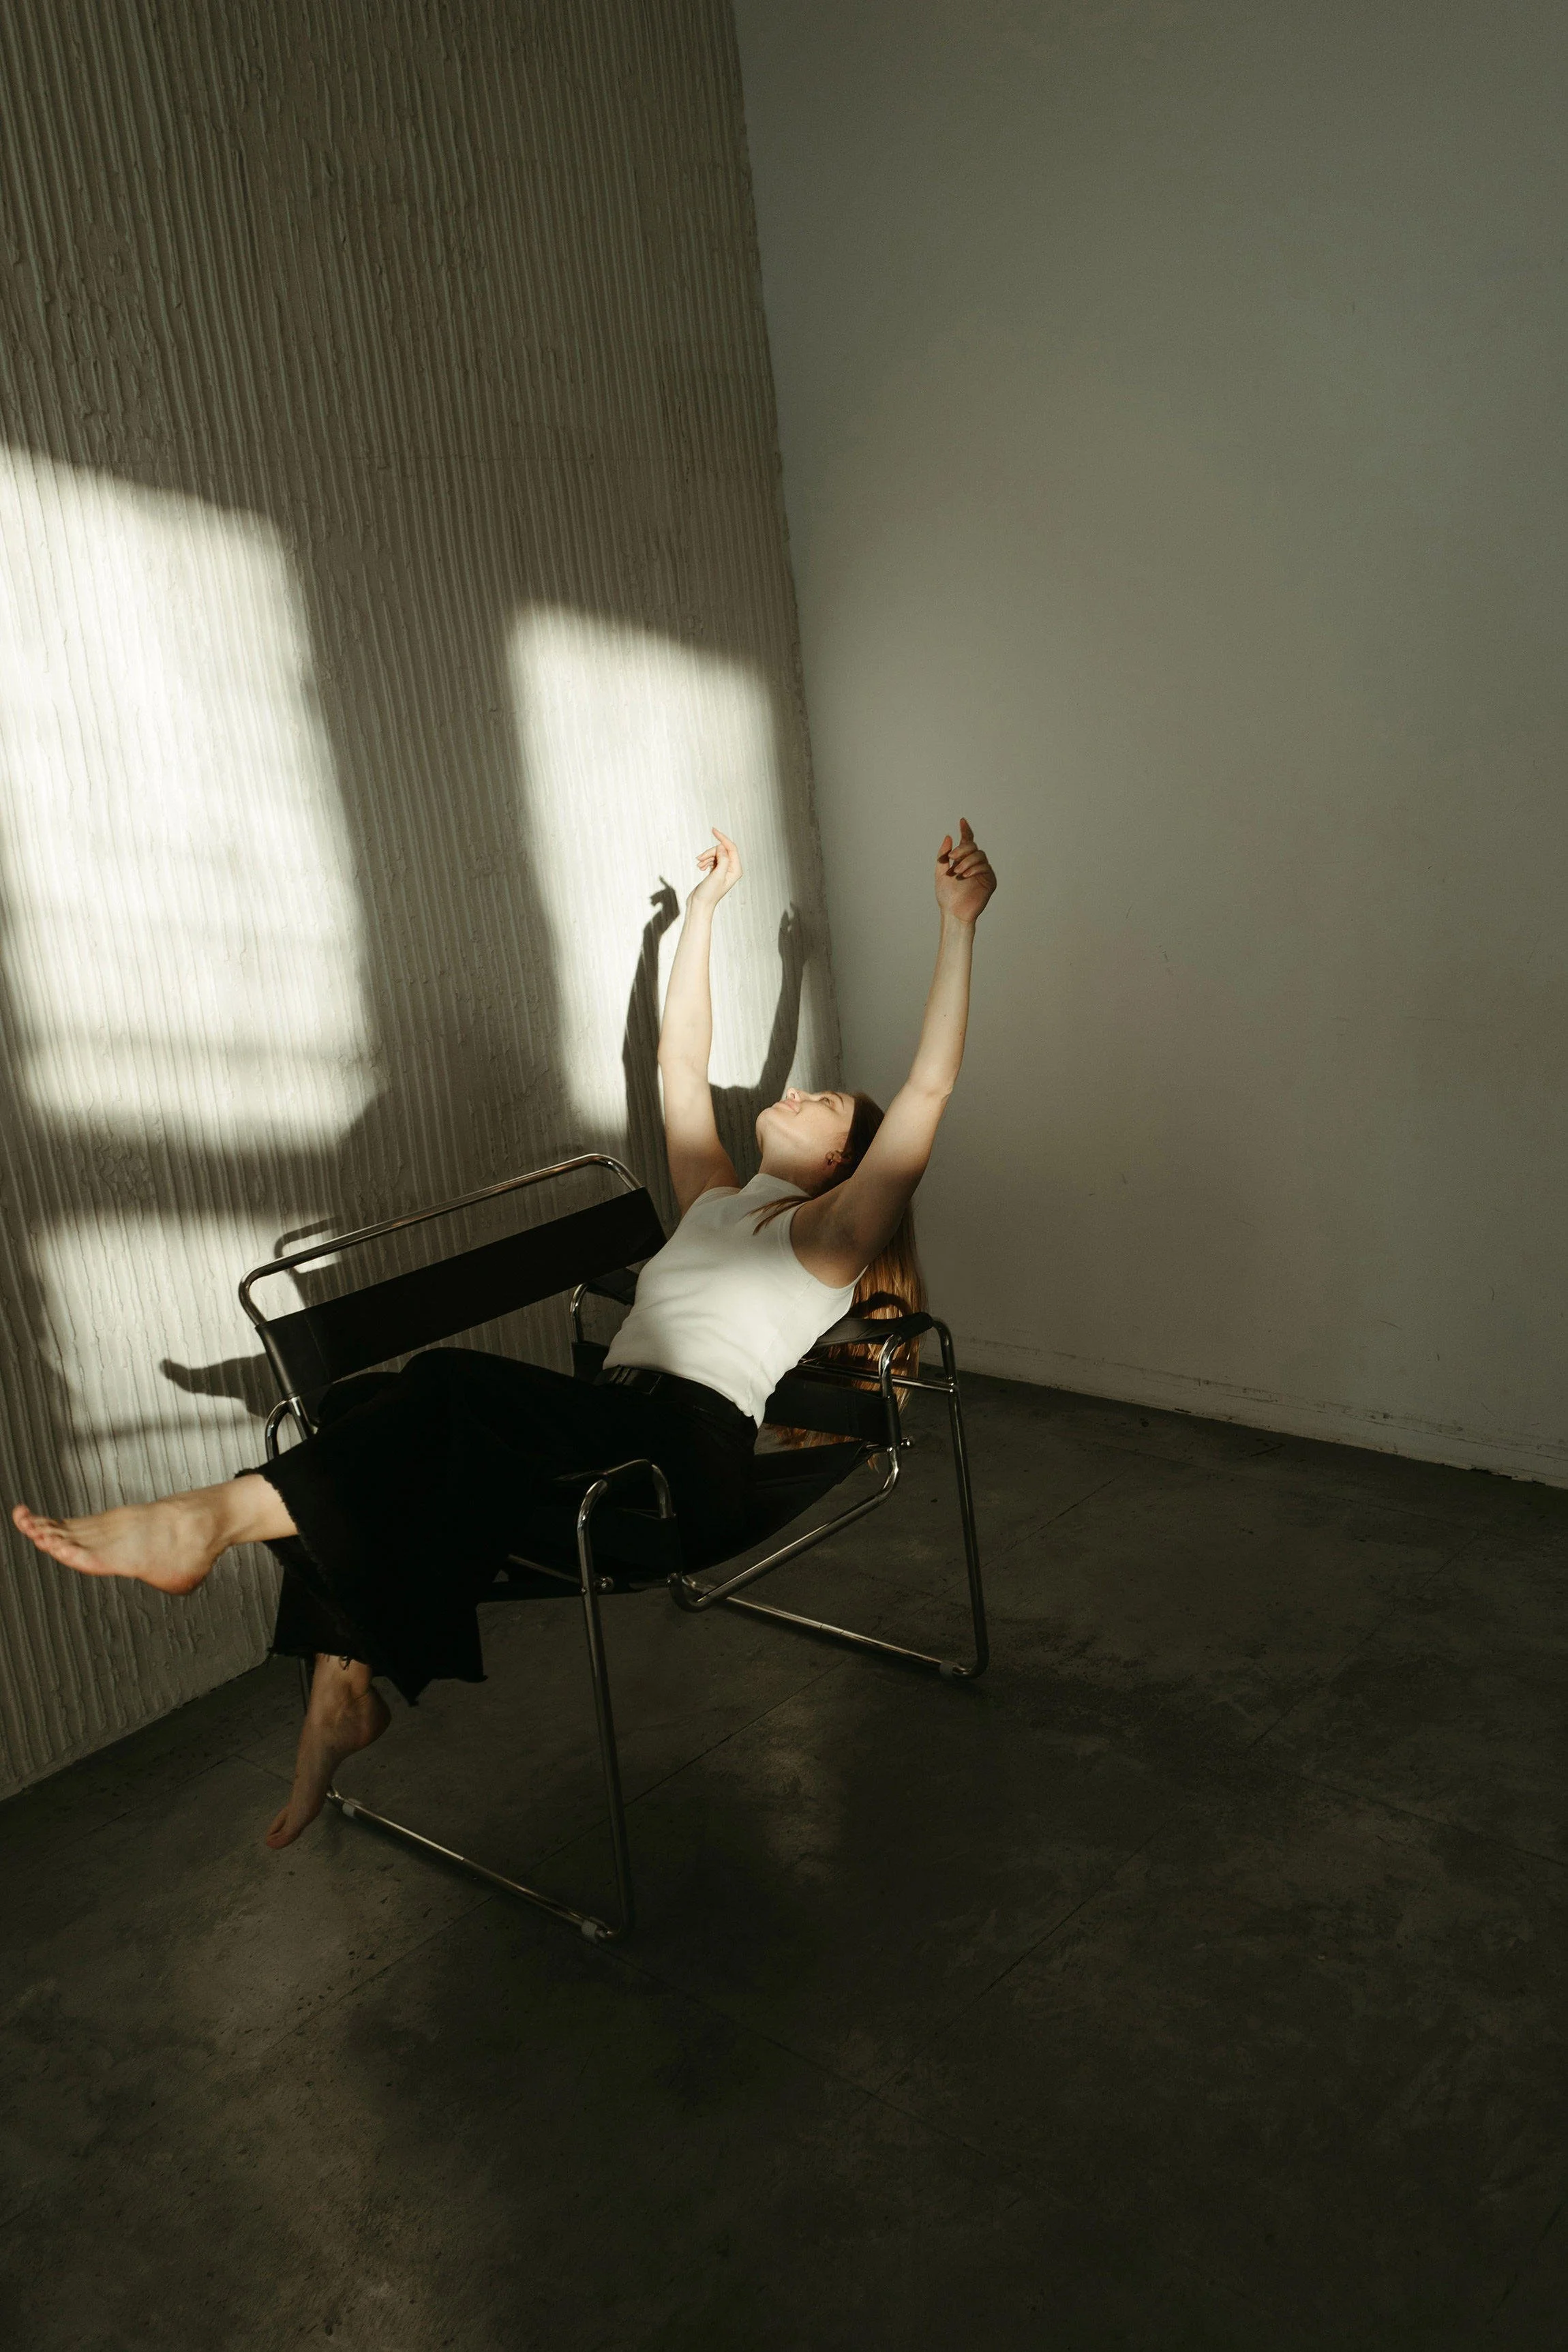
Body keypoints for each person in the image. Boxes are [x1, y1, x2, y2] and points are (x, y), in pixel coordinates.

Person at [12, 817, 997, 1847]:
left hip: (677, 1470)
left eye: (824, 1100)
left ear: (846, 1164)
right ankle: (345, 1683)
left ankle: (202, 1521)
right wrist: (703, 914)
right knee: (353, 1408)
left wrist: (958, 925)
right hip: (602, 1437)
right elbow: (680, 1059)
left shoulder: (826, 1235)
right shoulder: (714, 1196)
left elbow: (929, 1088)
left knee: (446, 1382)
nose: (793, 1088)